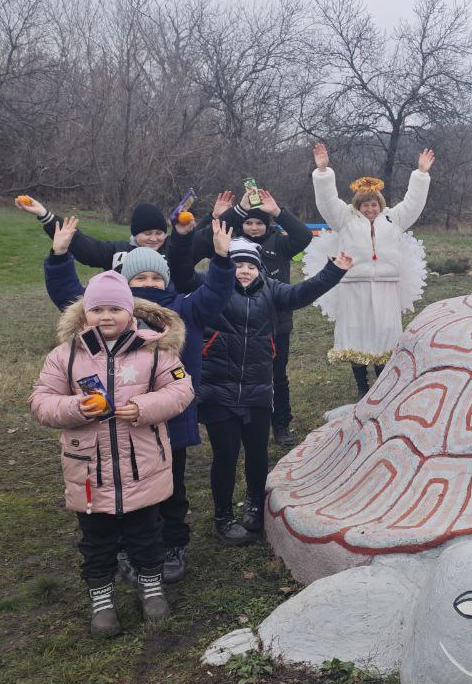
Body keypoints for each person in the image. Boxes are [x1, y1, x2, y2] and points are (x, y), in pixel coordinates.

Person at [43, 217, 236, 583]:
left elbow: (215, 294)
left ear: (167, 280)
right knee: (122, 490)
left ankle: (172, 545)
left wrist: (222, 262)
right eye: (139, 279)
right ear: (125, 284)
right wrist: (59, 255)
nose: (149, 284)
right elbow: (68, 294)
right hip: (111, 426)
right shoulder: (109, 315)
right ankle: (127, 550)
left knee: (172, 489)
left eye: (155, 278)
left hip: (171, 422)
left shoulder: (184, 310)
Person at [29, 271, 195, 637]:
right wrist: (75, 407)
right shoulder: (65, 356)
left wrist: (144, 407)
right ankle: (101, 599)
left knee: (147, 533)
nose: (106, 316)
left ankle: (151, 588)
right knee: (96, 539)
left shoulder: (155, 350)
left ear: (130, 312)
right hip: (90, 470)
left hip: (143, 465)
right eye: (98, 308)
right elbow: (41, 401)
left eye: (115, 308)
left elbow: (181, 390)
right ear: (85, 313)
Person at [198, 238, 352, 545]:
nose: (243, 271)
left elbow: (301, 293)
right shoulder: (212, 290)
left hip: (258, 387)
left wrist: (333, 271)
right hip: (219, 388)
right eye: (237, 265)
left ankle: (255, 504)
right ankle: (223, 516)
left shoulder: (272, 290)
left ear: (260, 270)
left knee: (257, 452)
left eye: (250, 266)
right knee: (225, 455)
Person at [184, 185, 314, 445]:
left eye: (259, 223)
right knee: (235, 376)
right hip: (231, 324)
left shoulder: (280, 243)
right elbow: (193, 246)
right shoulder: (228, 242)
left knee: (276, 376)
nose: (254, 228)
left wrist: (278, 212)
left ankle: (280, 425)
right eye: (249, 223)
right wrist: (216, 218)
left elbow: (304, 236)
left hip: (275, 323)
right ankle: (238, 423)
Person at [309, 144, 433, 398]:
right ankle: (362, 386)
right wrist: (322, 172)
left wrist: (420, 173)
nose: (370, 209)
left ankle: (383, 385)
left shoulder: (393, 220)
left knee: (386, 333)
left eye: (374, 204)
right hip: (354, 285)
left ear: (381, 204)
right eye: (364, 205)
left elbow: (412, 204)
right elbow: (328, 202)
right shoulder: (344, 220)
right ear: (357, 206)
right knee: (357, 332)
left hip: (387, 285)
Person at [15, 195, 182, 275]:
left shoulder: (174, 251)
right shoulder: (117, 250)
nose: (154, 238)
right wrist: (45, 215)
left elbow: (198, 241)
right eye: (147, 233)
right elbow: (86, 247)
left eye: (159, 233)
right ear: (135, 233)